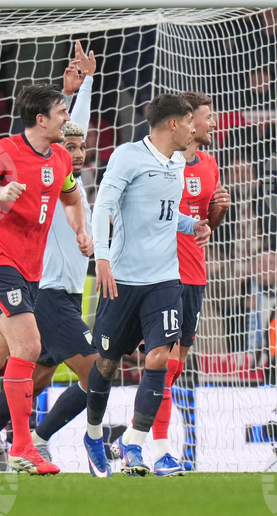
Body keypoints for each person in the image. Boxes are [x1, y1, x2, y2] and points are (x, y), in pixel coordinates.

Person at [0, 43, 100, 474]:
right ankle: (32, 443)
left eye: (79, 142)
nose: (77, 144)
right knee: (97, 373)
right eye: (70, 136)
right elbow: (56, 130)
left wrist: (73, 92)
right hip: (37, 287)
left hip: (56, 289)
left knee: (15, 373)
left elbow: (61, 129)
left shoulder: (64, 169)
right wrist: (78, 89)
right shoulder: (30, 162)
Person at [83, 94, 210, 478]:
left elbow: (166, 216)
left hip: (165, 280)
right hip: (121, 279)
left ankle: (133, 443)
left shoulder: (176, 163)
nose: (195, 128)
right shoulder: (127, 156)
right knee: (105, 364)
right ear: (173, 124)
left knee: (160, 358)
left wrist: (194, 226)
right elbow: (104, 205)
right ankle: (92, 435)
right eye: (190, 121)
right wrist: (102, 257)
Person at [150, 91, 230, 473]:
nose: (212, 123)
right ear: (185, 122)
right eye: (207, 117)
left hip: (195, 275)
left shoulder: (210, 164)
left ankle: (136, 435)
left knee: (175, 366)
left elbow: (203, 231)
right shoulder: (160, 164)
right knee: (161, 364)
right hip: (161, 275)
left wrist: (216, 213)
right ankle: (156, 445)